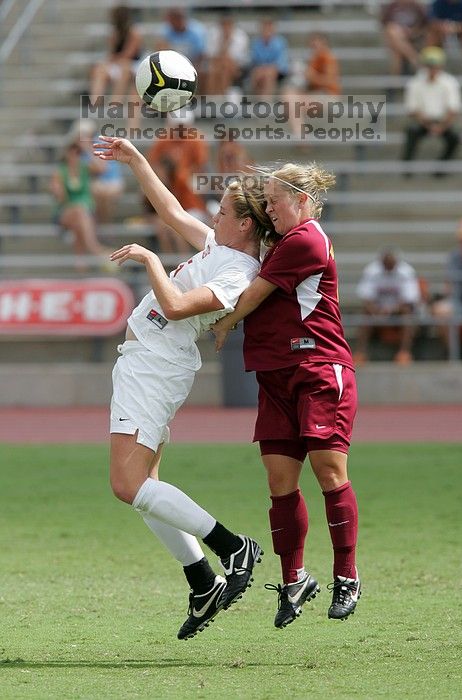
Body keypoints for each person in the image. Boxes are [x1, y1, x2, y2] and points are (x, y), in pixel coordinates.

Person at [93, 134, 269, 640]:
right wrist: (136, 160)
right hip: (145, 361)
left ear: (245, 224)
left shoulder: (239, 271)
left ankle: (232, 546)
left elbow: (174, 307)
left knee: (127, 486)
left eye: (224, 210)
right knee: (146, 484)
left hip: (156, 364)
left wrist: (150, 260)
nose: (213, 214)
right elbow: (170, 209)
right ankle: (201, 581)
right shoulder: (220, 247)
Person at [212, 163, 361, 627]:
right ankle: (293, 578)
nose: (269, 208)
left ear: (300, 199)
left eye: (275, 200)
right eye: (267, 201)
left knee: (328, 472)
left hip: (317, 368)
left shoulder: (307, 239)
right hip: (275, 375)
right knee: (279, 483)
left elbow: (254, 294)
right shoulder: (280, 241)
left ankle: (346, 577)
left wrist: (222, 321)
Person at [144, 111, 210, 254]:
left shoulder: (195, 143)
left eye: (182, 126)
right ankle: (171, 265)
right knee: (166, 226)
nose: (180, 130)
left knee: (177, 227)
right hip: (171, 204)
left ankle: (181, 262)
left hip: (189, 205)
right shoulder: (163, 142)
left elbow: (200, 168)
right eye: (177, 126)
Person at [353, 249, 422, 365]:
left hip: (398, 311)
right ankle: (360, 353)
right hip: (377, 310)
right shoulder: (372, 271)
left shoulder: (406, 272)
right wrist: (376, 310)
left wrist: (390, 310)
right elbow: (366, 298)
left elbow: (409, 300)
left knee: (407, 314)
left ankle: (404, 353)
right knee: (365, 314)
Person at [49, 141, 111, 265]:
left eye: (78, 152)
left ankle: (80, 262)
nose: (74, 155)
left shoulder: (84, 168)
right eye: (72, 151)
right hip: (67, 211)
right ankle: (95, 248)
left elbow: (102, 169)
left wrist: (88, 149)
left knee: (79, 222)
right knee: (79, 212)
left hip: (83, 212)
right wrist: (57, 190)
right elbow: (60, 197)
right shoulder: (60, 172)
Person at [402, 46, 462, 173]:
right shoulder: (415, 83)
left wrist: (441, 126)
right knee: (411, 132)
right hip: (422, 122)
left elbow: (453, 110)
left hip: (443, 121)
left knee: (455, 138)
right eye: (430, 65)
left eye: (435, 65)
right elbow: (413, 110)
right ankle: (406, 168)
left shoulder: (449, 82)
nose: (432, 69)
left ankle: (441, 170)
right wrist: (428, 125)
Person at [89, 5, 142, 103]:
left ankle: (116, 100)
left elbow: (129, 54)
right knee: (99, 69)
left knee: (125, 68)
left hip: (133, 65)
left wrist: (115, 59)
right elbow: (112, 53)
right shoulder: (114, 33)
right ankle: (95, 101)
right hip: (119, 63)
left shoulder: (134, 33)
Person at [430, 217, 462, 354]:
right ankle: (453, 352)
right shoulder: (454, 257)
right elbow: (448, 286)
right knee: (440, 310)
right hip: (459, 301)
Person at [205, 12, 250, 96]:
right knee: (216, 69)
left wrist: (227, 42)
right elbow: (210, 55)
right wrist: (223, 42)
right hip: (217, 64)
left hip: (237, 66)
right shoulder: (213, 34)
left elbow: (237, 59)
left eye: (228, 24)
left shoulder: (241, 36)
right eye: (224, 24)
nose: (226, 27)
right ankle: (213, 96)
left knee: (224, 67)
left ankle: (220, 96)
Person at [381, 0, 428, 75]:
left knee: (396, 51)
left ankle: (395, 82)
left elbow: (425, 24)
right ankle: (415, 59)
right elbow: (385, 25)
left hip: (414, 37)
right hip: (396, 37)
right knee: (392, 31)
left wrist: (413, 31)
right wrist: (401, 31)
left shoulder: (417, 6)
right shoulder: (392, 6)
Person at [249, 19, 289, 96]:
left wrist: (268, 68)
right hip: (260, 70)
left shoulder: (281, 42)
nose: (266, 31)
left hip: (277, 71)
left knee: (269, 73)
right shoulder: (256, 43)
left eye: (269, 29)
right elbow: (254, 60)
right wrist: (263, 68)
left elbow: (281, 63)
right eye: (264, 29)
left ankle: (265, 103)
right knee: (258, 73)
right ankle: (257, 101)